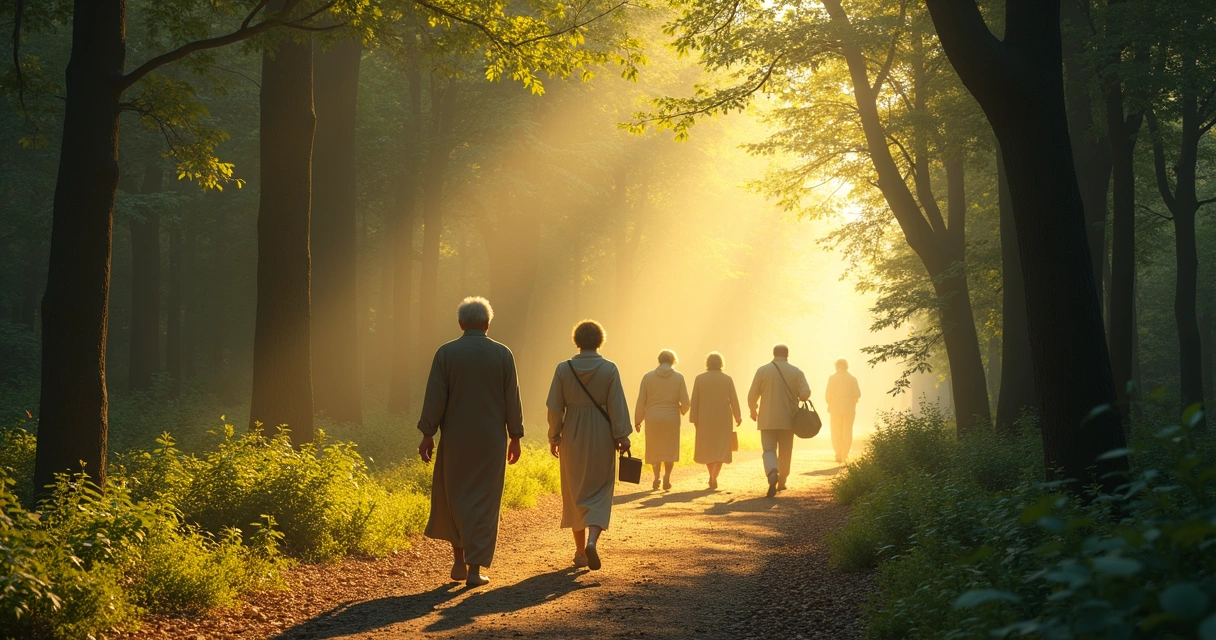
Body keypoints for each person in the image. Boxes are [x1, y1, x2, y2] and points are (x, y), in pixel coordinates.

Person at [417, 297, 524, 588]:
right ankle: (474, 570)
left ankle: (457, 561)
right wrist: (515, 436)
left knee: (456, 497)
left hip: (456, 438)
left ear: (461, 323)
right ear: (487, 324)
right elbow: (512, 399)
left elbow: (435, 396)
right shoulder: (502, 354)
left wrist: (428, 433)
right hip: (490, 440)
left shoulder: (446, 353)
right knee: (484, 501)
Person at [546, 320, 632, 571]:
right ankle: (593, 541)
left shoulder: (563, 369)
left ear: (577, 341)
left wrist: (555, 435)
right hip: (602, 434)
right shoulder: (610, 369)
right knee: (600, 489)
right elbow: (616, 404)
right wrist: (621, 435)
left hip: (572, 431)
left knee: (575, 491)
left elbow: (554, 407)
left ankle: (580, 551)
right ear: (600, 340)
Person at [747, 343, 811, 497]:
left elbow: (752, 394)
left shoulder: (762, 370)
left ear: (773, 354)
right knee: (785, 450)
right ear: (787, 355)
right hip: (789, 419)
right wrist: (798, 396)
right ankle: (782, 480)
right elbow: (805, 393)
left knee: (768, 449)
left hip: (767, 418)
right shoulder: (796, 371)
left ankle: (772, 473)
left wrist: (753, 409)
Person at [634, 349, 690, 490]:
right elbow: (686, 402)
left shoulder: (647, 377)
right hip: (671, 417)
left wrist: (638, 420)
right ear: (673, 361)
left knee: (655, 449)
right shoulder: (679, 377)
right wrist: (681, 411)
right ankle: (667, 477)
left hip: (653, 418)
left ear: (659, 360)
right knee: (669, 449)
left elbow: (641, 400)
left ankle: (656, 477)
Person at [690, 351, 743, 490]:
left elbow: (694, 399)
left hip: (704, 417)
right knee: (721, 447)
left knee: (707, 447)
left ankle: (711, 475)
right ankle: (714, 476)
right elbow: (733, 399)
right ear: (721, 364)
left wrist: (694, 418)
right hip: (723, 417)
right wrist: (738, 415)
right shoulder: (727, 379)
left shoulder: (699, 379)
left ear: (707, 363)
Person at [825, 358, 862, 464]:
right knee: (847, 432)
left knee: (836, 431)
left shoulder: (832, 378)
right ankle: (844, 454)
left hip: (835, 408)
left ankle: (838, 452)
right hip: (849, 409)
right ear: (846, 366)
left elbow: (828, 395)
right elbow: (858, 394)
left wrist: (829, 403)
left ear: (836, 366)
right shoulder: (852, 378)